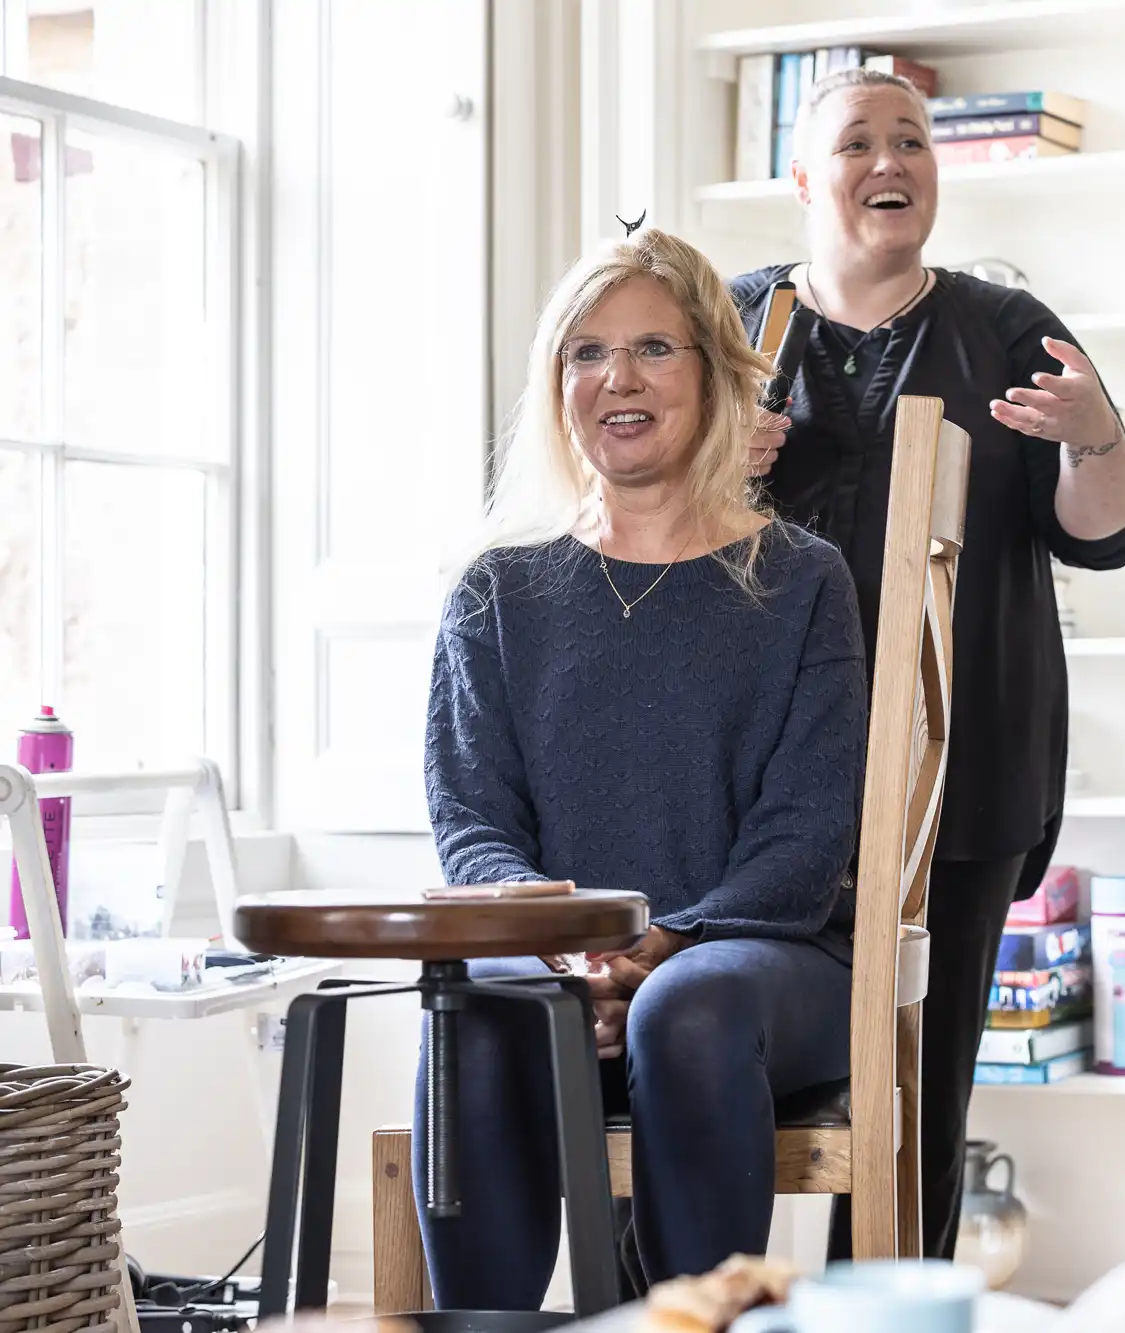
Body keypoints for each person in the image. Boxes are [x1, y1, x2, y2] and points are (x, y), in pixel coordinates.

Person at [729, 66, 1125, 1260]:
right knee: (718, 1067)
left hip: (959, 778)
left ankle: (890, 1301)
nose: (889, 162)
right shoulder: (727, 328)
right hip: (753, 791)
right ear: (803, 177)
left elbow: (1107, 532)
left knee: (917, 1094)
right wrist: (716, 462)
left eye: (911, 140)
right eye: (857, 141)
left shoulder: (1008, 330)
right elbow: (633, 522)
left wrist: (1095, 436)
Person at [416, 226, 868, 1304]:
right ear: (556, 382)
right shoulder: (495, 591)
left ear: (713, 374)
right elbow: (471, 819)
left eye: (654, 349)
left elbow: (803, 838)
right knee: (475, 1009)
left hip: (763, 958)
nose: (617, 376)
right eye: (585, 351)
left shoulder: (802, 581)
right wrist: (566, 948)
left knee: (688, 1006)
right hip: (561, 968)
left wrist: (662, 943)